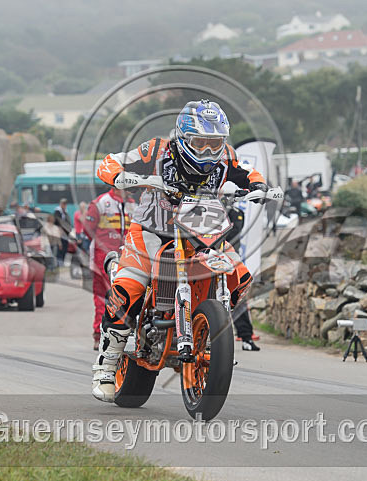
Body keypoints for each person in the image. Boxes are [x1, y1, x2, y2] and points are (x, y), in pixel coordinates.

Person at [91, 99, 269, 402]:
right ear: (184, 138)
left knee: (241, 276)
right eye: (201, 142)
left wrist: (259, 187)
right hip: (151, 231)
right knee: (128, 288)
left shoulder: (226, 157)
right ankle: (106, 367)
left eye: (215, 143)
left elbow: (250, 173)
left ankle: (210, 333)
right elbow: (111, 161)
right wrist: (119, 176)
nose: (209, 151)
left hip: (202, 232)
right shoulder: (157, 150)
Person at [84, 189, 135, 350]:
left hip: (128, 257)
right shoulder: (101, 202)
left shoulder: (133, 205)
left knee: (125, 297)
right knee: (102, 298)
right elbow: (88, 228)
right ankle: (99, 335)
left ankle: (122, 334)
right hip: (102, 258)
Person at [225, 203, 260, 351]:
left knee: (239, 295)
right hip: (204, 257)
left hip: (229, 259)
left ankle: (246, 337)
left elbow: (234, 232)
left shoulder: (236, 213)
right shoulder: (201, 208)